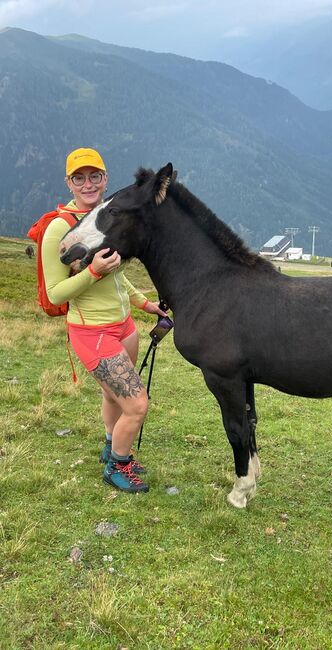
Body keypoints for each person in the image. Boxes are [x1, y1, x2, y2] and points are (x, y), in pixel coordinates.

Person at [41, 147, 166, 493]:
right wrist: (93, 271)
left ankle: (112, 446)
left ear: (105, 178)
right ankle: (117, 467)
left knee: (115, 398)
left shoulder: (105, 216)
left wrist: (143, 304)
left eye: (94, 175)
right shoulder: (60, 228)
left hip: (124, 327)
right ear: (68, 182)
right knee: (137, 405)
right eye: (78, 177)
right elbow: (56, 293)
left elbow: (116, 274)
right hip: (92, 333)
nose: (88, 183)